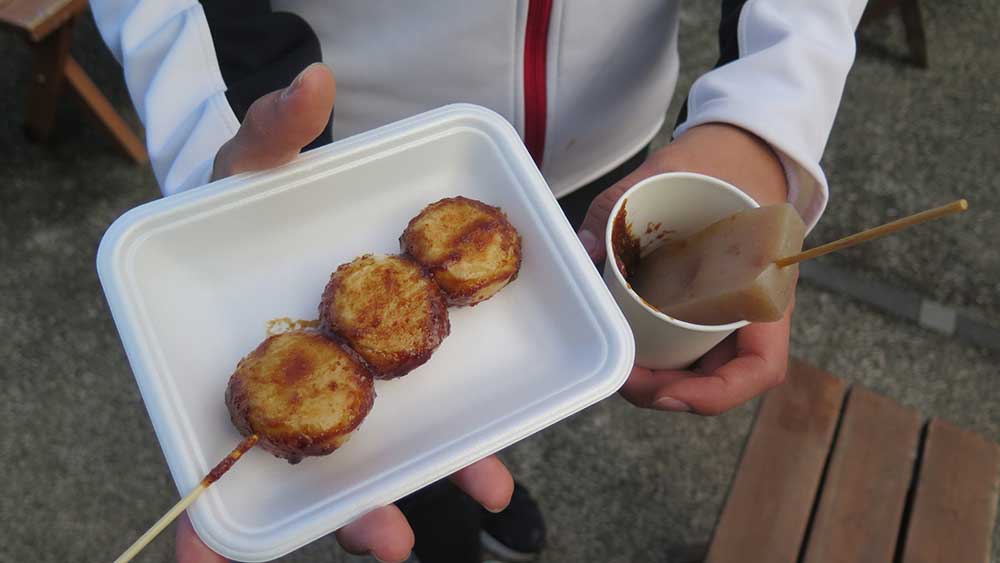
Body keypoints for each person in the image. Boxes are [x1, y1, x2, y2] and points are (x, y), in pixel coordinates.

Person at [92, 1, 867, 561]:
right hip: (352, 139)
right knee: (415, 467)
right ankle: (444, 530)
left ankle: (483, 489)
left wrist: (764, 119)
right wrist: (213, 136)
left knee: (524, 372)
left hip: (616, 139)